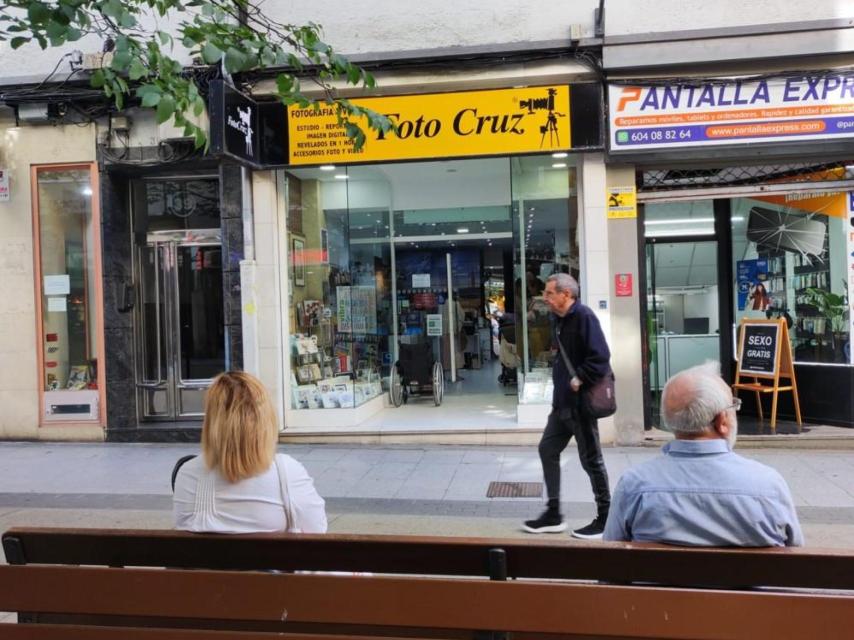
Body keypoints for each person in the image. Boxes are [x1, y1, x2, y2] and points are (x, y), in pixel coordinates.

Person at [604, 362, 803, 547]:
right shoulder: (768, 487)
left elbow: (610, 558)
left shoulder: (634, 486)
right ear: (722, 421)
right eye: (733, 406)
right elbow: (795, 554)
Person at [173, 371, 327, 533]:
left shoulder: (188, 474)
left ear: (212, 422)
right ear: (265, 419)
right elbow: (317, 530)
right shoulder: (288, 473)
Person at [523, 273, 613, 539]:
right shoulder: (558, 319)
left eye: (550, 293)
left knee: (591, 461)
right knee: (547, 449)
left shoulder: (584, 317)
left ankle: (606, 518)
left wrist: (579, 378)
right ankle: (553, 514)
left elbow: (601, 357)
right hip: (561, 405)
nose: (545, 298)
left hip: (581, 405)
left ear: (566, 294)